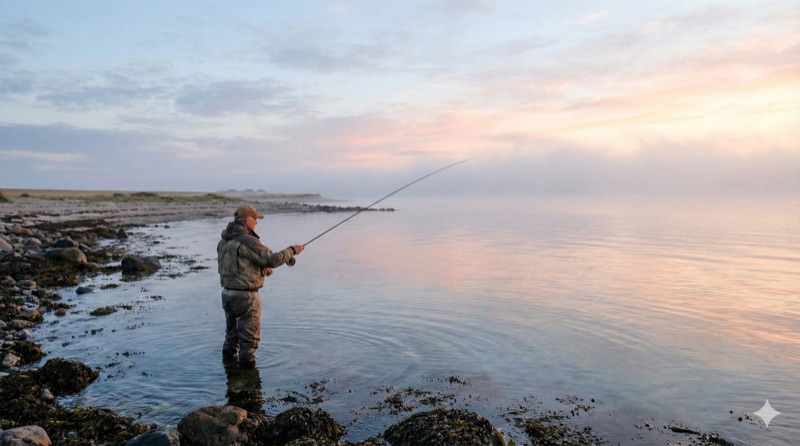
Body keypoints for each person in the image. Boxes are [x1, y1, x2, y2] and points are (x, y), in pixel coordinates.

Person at [217, 204, 303, 368]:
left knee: (231, 337)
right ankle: (248, 384)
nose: (257, 223)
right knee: (248, 343)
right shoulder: (248, 240)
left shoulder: (224, 240)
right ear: (248, 220)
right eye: (255, 220)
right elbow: (272, 259)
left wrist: (261, 270)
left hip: (227, 295)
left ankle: (229, 375)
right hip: (246, 298)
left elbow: (235, 265)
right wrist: (293, 250)